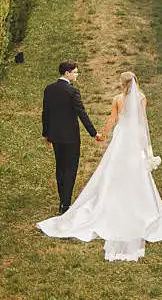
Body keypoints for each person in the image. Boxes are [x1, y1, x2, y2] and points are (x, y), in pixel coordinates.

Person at [38, 71, 162, 261]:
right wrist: (146, 145)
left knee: (113, 168)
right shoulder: (142, 98)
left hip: (122, 136)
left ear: (123, 84)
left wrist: (102, 134)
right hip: (134, 137)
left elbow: (112, 119)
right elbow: (143, 121)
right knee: (135, 170)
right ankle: (139, 204)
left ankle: (111, 201)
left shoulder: (118, 99)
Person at [42, 61, 99, 214]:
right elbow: (82, 113)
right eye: (75, 72)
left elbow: (45, 112)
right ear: (67, 73)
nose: (77, 74)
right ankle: (65, 204)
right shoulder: (72, 91)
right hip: (71, 138)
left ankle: (63, 200)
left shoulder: (49, 89)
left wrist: (46, 134)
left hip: (55, 136)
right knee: (70, 169)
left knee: (60, 167)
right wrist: (94, 133)